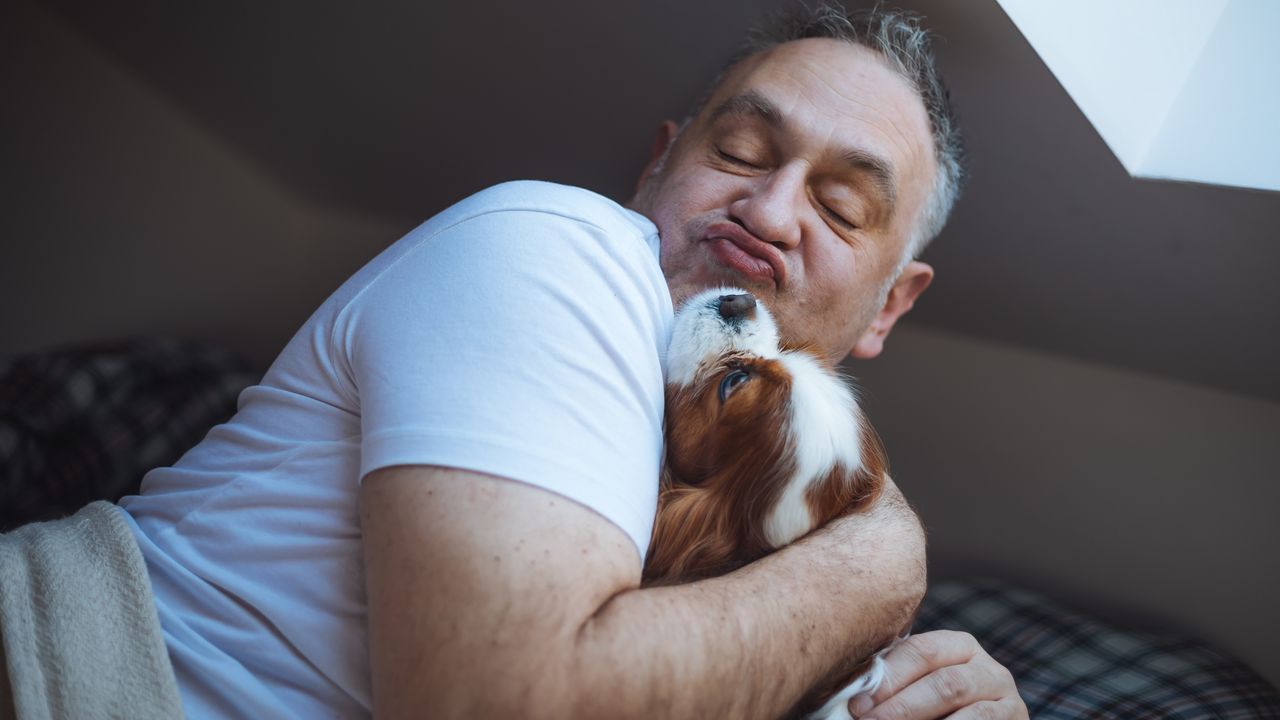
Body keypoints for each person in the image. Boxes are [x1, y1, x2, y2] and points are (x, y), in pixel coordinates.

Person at [105, 4, 1026, 719]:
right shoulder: (565, 246)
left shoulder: (766, 513)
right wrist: (880, 564)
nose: (772, 210)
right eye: (740, 150)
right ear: (655, 168)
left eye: (840, 207)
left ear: (892, 304)